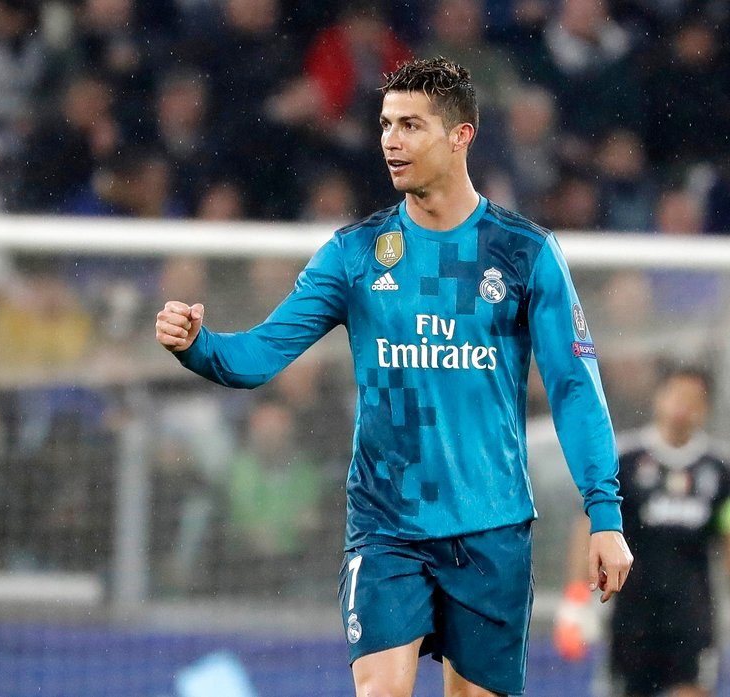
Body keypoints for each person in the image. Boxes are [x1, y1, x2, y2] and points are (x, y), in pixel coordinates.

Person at [155, 57, 633, 697]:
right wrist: (198, 346)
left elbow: (576, 389)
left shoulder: (525, 254)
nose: (390, 140)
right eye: (385, 124)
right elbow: (260, 354)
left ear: (460, 135)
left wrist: (604, 515)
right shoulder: (355, 254)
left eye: (411, 125)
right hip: (386, 525)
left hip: (490, 525)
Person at [554, 367, 730, 697]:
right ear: (659, 398)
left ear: (705, 408)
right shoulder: (624, 459)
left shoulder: (720, 469)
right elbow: (588, 525)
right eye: (676, 396)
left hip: (692, 617)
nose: (682, 407)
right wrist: (576, 598)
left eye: (693, 400)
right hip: (631, 615)